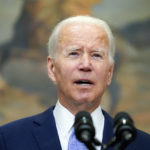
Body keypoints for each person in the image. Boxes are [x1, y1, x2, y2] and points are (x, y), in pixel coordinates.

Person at [0, 15, 150, 150]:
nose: (85, 65)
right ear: (52, 69)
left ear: (109, 73)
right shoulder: (8, 140)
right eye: (73, 54)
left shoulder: (142, 145)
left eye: (96, 55)